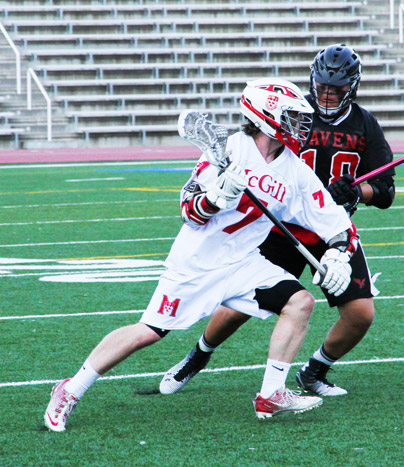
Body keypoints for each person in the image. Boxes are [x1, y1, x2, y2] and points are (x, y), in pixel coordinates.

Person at [44, 77, 360, 432]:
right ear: (267, 113)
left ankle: (272, 394)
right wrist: (215, 198)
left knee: (300, 302)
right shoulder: (227, 150)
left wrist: (338, 254)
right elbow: (189, 211)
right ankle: (69, 389)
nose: (301, 125)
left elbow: (334, 220)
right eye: (292, 116)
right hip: (197, 261)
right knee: (148, 332)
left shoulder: (295, 170)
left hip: (243, 261)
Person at [159, 44, 395, 397]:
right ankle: (196, 357)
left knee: (360, 313)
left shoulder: (366, 125)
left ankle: (314, 371)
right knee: (239, 304)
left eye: (337, 89)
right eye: (323, 88)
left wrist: (357, 193)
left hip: (331, 231)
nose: (328, 96)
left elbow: (386, 190)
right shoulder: (294, 113)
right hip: (279, 224)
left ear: (353, 87)